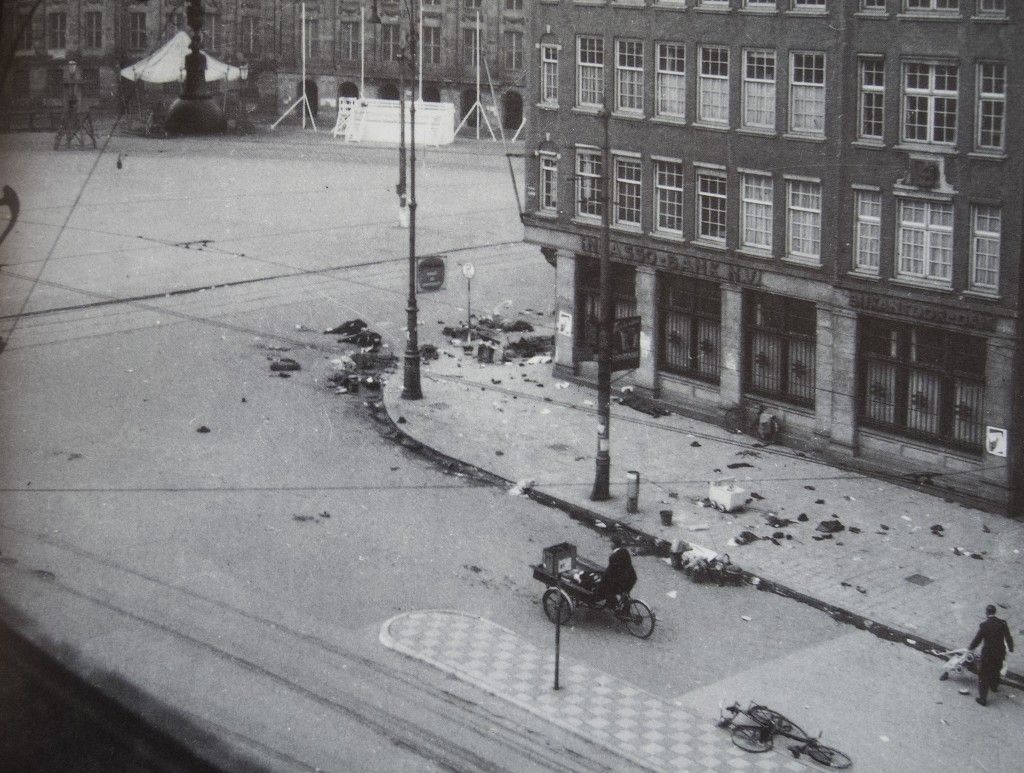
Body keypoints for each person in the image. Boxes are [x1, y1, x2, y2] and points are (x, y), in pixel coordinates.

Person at [969, 604, 1014, 706]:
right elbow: (1008, 637)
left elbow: (978, 639)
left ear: (987, 613)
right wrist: (1011, 648)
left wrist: (971, 647)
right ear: (995, 612)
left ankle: (983, 699)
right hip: (1000, 652)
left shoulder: (984, 625)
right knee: (996, 669)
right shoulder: (1002, 623)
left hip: (988, 654)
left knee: (983, 674)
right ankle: (994, 687)